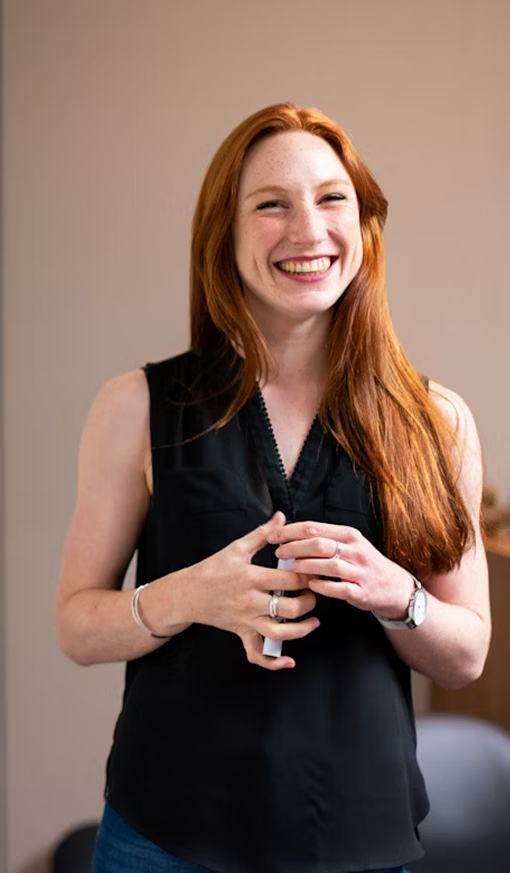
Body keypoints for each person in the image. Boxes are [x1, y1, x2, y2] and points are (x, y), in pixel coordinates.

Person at [54, 103, 490, 873]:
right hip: (165, 840)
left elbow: (467, 654)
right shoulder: (136, 407)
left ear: (364, 224)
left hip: (360, 843)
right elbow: (77, 625)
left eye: (331, 199)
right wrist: (189, 595)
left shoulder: (439, 421)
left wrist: (397, 593)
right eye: (271, 205)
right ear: (224, 233)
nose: (307, 230)